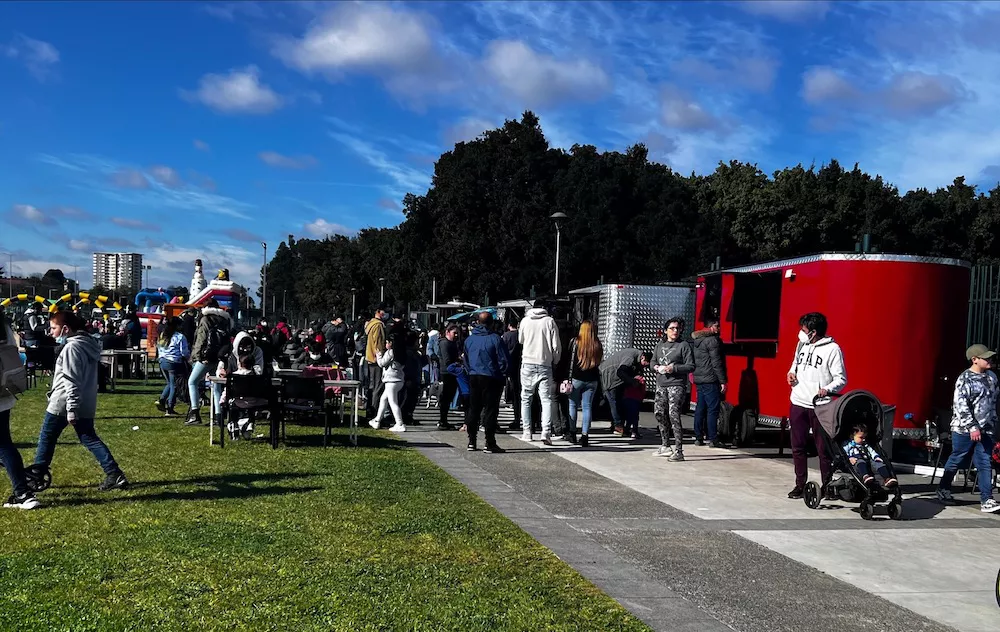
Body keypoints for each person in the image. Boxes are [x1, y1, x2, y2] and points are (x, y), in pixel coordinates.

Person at [34, 311, 128, 492]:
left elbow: (71, 380)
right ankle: (114, 473)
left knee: (47, 437)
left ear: (66, 329)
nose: (50, 332)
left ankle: (37, 474)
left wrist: (72, 408)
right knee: (88, 438)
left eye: (53, 328)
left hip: (64, 402)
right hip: (85, 401)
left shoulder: (71, 348)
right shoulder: (88, 344)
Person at [786, 312, 847, 500]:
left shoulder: (833, 349)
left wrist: (827, 389)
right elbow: (794, 364)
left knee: (823, 449)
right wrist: (790, 374)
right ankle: (800, 484)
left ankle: (827, 485)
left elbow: (841, 378)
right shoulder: (801, 345)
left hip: (820, 406)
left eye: (804, 330)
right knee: (798, 447)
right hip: (798, 401)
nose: (801, 333)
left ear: (813, 332)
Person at [935, 344, 1000, 513]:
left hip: (987, 429)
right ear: (975, 359)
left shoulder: (992, 377)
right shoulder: (964, 379)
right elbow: (961, 406)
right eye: (985, 358)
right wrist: (972, 427)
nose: (990, 360)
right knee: (957, 457)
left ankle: (987, 499)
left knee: (985, 462)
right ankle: (943, 489)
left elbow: (993, 402)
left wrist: (993, 424)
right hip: (964, 429)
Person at [1, 309, 39, 510]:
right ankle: (22, 487)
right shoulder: (4, 323)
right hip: (4, 389)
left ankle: (23, 492)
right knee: (4, 444)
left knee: (3, 446)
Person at [464, 312, 511, 453]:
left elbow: (465, 359)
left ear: (477, 322)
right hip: (491, 376)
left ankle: (471, 441)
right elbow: (504, 360)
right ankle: (489, 442)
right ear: (491, 323)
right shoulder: (495, 339)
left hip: (474, 375)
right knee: (490, 410)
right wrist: (503, 373)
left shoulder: (469, 340)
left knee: (474, 409)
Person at [519, 301, 562, 444]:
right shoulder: (549, 321)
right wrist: (555, 361)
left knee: (526, 398)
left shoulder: (525, 320)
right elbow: (556, 346)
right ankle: (546, 432)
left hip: (528, 363)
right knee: (546, 399)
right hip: (544, 363)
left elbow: (521, 340)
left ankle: (527, 431)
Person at [653, 317, 695, 460]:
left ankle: (679, 450)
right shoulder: (660, 345)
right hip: (661, 383)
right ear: (665, 331)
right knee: (659, 413)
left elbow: (691, 366)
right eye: (672, 328)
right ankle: (665, 445)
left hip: (676, 384)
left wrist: (674, 368)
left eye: (677, 328)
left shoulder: (683, 345)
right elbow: (653, 360)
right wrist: (656, 367)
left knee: (673, 414)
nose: (675, 331)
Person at [185, 300, 232, 426]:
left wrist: (196, 356)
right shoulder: (225, 320)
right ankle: (218, 416)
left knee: (192, 382)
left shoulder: (206, 319)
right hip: (220, 357)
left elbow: (201, 338)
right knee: (216, 387)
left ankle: (194, 412)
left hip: (206, 356)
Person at [691, 318, 727, 447]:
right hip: (711, 379)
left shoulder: (697, 340)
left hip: (699, 379)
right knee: (713, 409)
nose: (719, 329)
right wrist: (723, 381)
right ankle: (713, 439)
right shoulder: (712, 341)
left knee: (700, 408)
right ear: (711, 327)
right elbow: (716, 363)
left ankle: (698, 437)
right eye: (717, 326)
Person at [600, 349, 652, 436]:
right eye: (644, 365)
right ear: (642, 357)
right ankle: (618, 426)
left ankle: (618, 424)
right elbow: (620, 372)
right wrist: (632, 381)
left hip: (617, 379)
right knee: (614, 402)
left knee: (620, 402)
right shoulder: (630, 357)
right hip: (609, 376)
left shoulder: (637, 358)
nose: (644, 367)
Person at [567, 320, 603, 448]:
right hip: (592, 380)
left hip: (577, 378)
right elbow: (599, 362)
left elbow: (569, 360)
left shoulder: (575, 342)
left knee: (572, 405)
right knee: (587, 407)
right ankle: (585, 435)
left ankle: (572, 433)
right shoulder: (597, 344)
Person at [369, 333, 406, 432]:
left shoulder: (390, 352)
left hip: (391, 380)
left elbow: (381, 363)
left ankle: (399, 423)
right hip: (398, 380)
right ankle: (377, 420)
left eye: (387, 342)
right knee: (383, 399)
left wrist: (378, 355)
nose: (385, 344)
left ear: (391, 343)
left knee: (393, 402)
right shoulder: (401, 352)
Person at [843, 424, 897, 490]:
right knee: (860, 462)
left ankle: (887, 478)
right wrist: (849, 458)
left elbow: (871, 452)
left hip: (868, 459)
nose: (863, 440)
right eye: (861, 437)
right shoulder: (848, 445)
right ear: (852, 436)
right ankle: (865, 476)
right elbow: (844, 452)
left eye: (864, 437)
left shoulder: (865, 445)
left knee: (878, 463)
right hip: (856, 460)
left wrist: (876, 457)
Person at [156, 316, 190, 416]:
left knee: (169, 383)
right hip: (173, 362)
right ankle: (169, 408)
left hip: (162, 361)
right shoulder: (180, 337)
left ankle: (162, 400)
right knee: (175, 385)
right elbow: (184, 352)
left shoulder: (163, 335)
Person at [364, 305, 388, 421]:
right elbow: (378, 343)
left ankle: (369, 408)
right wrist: (381, 357)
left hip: (370, 358)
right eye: (384, 311)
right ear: (378, 312)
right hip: (376, 359)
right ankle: (374, 411)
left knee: (372, 385)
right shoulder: (378, 325)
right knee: (378, 386)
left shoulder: (370, 324)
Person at [437, 325, 462, 430]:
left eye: (457, 333)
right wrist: (458, 362)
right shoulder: (444, 343)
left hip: (453, 372)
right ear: (447, 332)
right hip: (447, 372)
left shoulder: (453, 343)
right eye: (454, 333)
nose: (456, 335)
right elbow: (447, 360)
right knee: (446, 397)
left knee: (449, 397)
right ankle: (442, 420)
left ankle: (444, 420)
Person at [502, 321, 523, 431]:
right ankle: (534, 421)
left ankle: (516, 419)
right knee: (521, 394)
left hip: (510, 367)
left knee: (514, 392)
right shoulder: (520, 335)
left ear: (509, 325)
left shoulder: (506, 336)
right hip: (521, 366)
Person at [622, 373, 646, 439]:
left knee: (628, 415)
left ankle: (626, 430)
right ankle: (634, 432)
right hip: (636, 399)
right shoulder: (641, 380)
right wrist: (642, 398)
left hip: (627, 398)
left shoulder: (629, 379)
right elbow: (643, 390)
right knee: (635, 416)